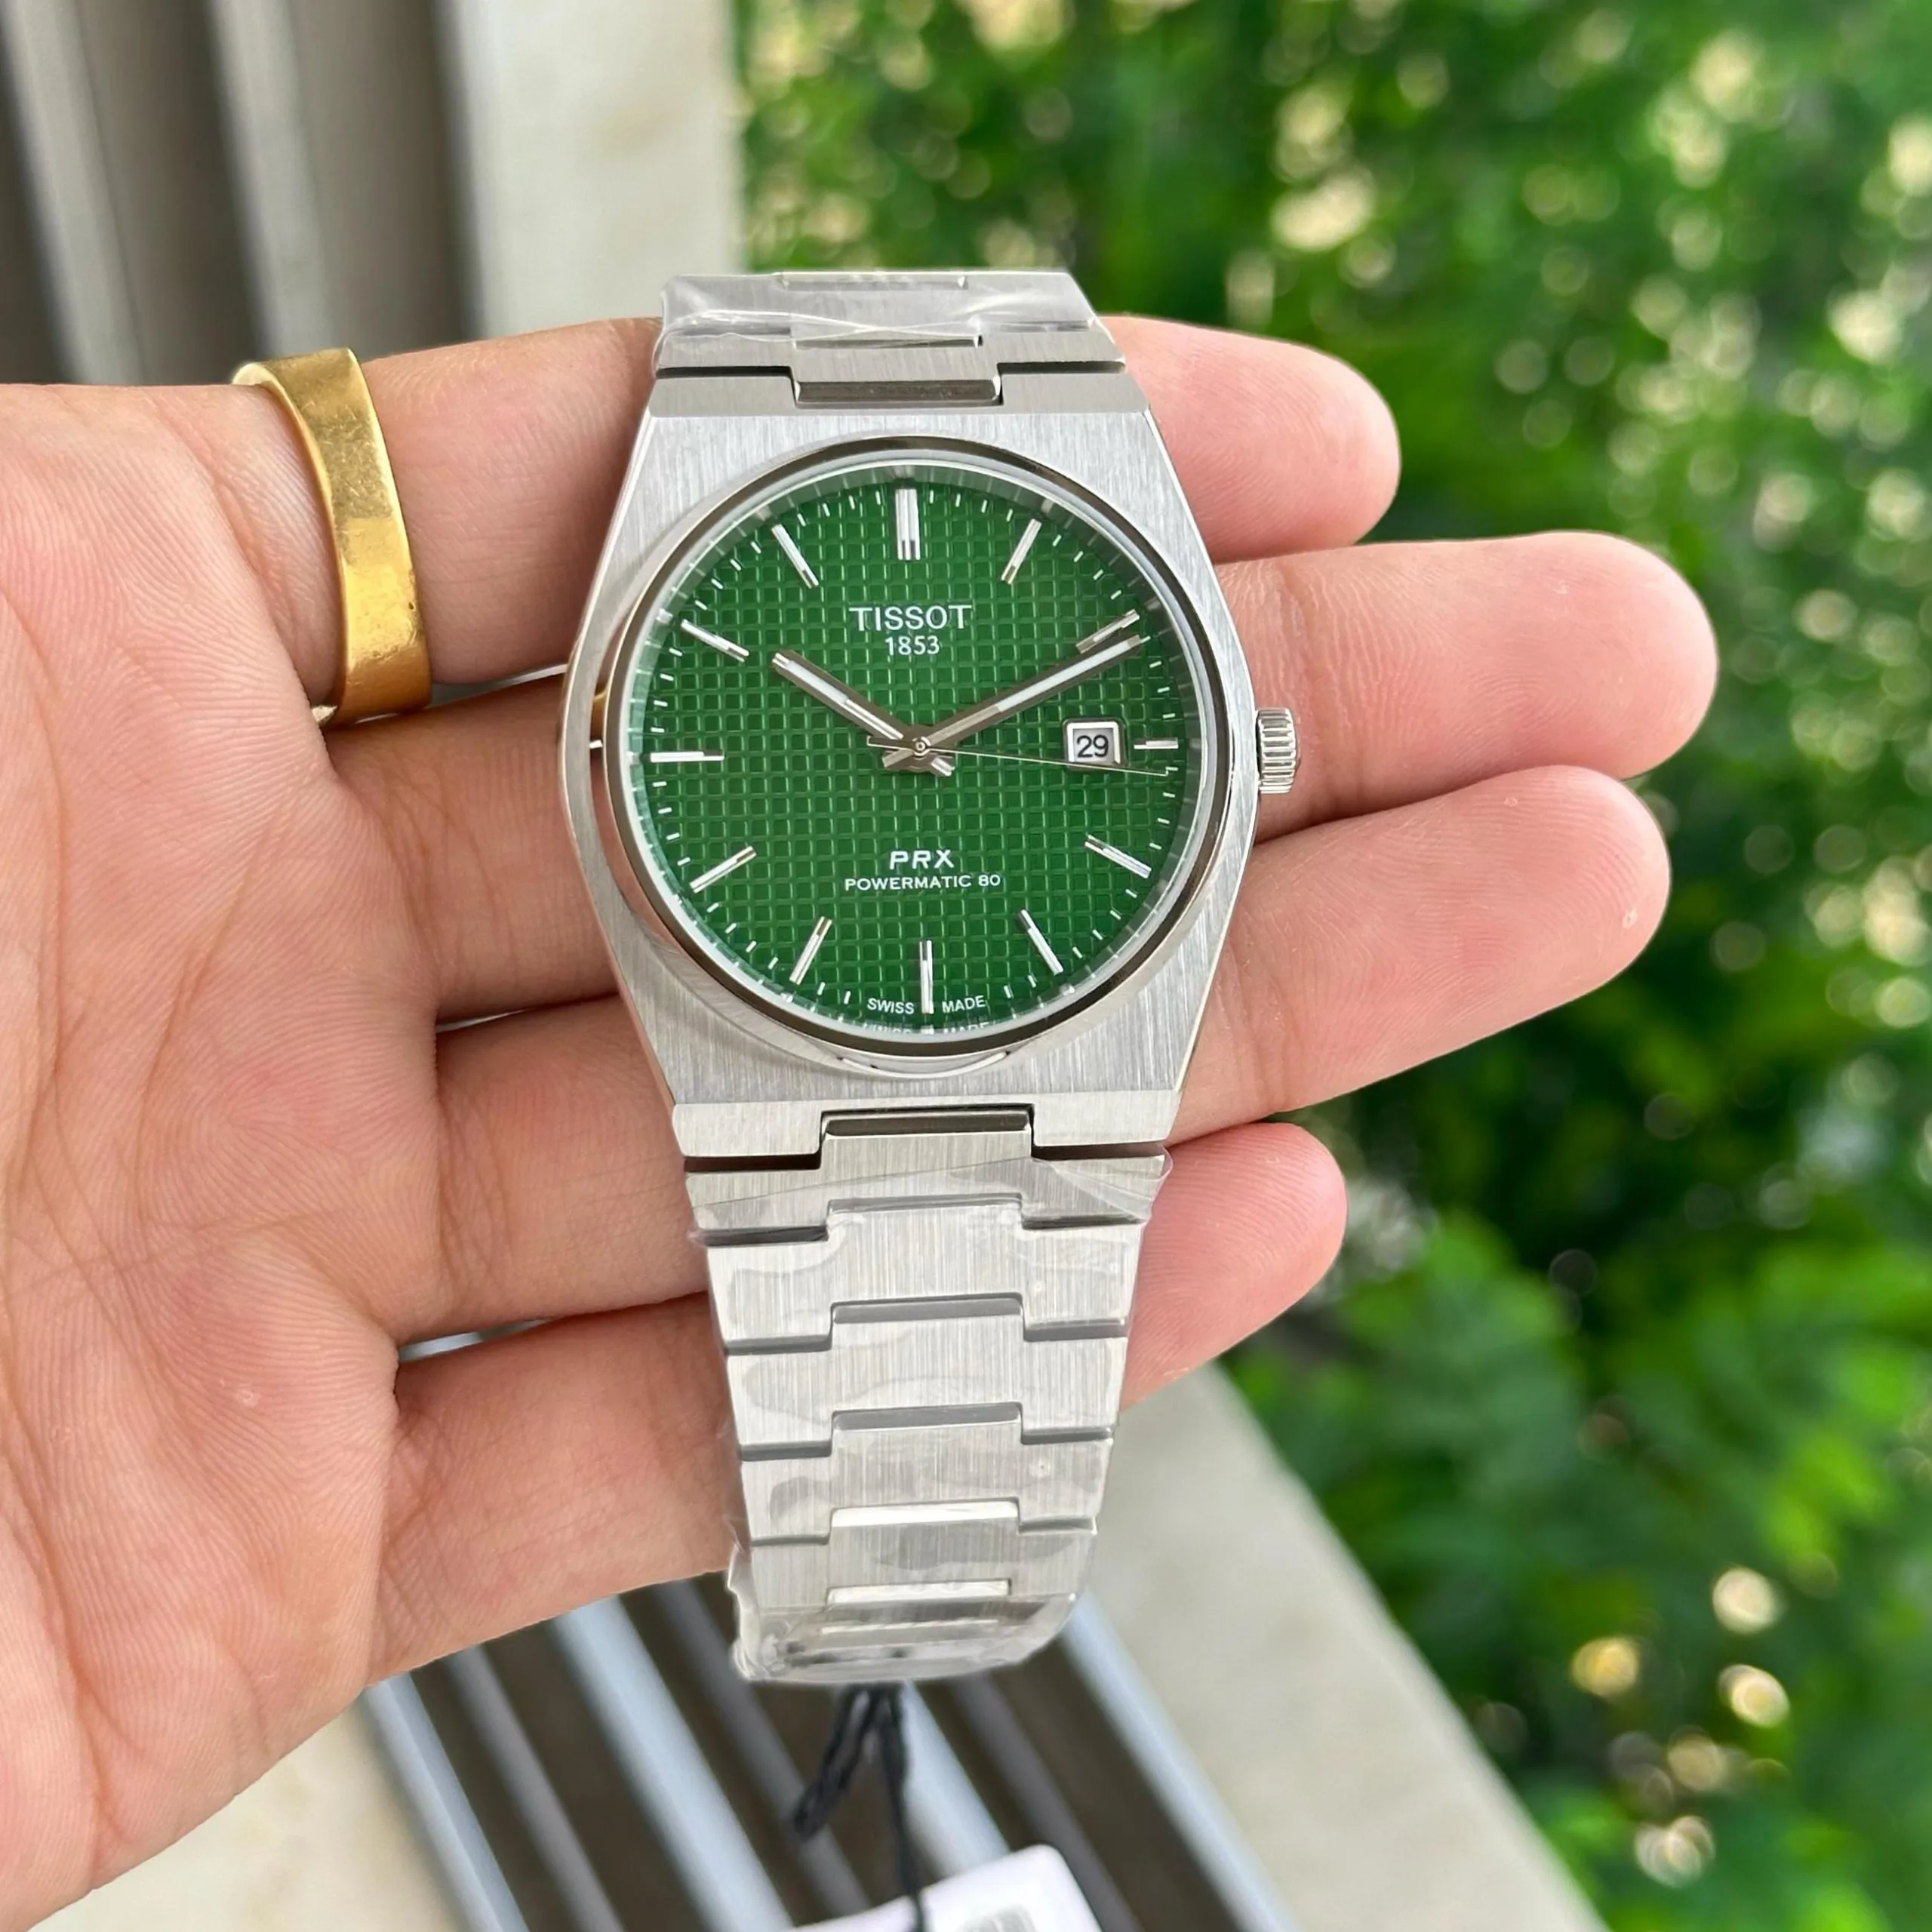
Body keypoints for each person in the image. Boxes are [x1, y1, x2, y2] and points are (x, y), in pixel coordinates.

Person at [0, 315, 1713, 1924]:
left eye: (930, 743)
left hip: (1034, 1008)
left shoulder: (1156, 760)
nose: (913, 757)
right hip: (755, 1011)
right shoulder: (632, 788)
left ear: (1238, 753)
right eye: (891, 740)